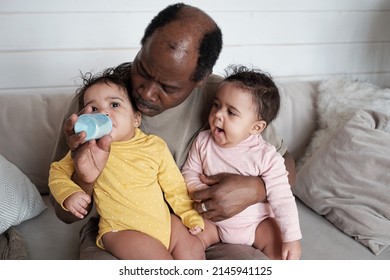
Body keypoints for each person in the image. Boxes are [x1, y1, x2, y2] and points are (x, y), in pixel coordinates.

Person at [51, 3, 296, 259]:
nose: (146, 93)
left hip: (202, 228)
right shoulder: (97, 101)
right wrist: (85, 179)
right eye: (142, 71)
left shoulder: (224, 100)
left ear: (200, 80)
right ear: (141, 47)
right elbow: (63, 213)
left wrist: (256, 188)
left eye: (168, 87)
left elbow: (285, 161)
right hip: (120, 228)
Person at [49, 63, 205, 260]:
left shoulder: (154, 146)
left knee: (193, 248)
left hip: (164, 224)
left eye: (114, 105)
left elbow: (175, 187)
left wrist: (189, 216)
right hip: (121, 231)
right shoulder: (86, 148)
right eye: (94, 108)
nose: (103, 113)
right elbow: (57, 172)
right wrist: (69, 194)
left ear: (136, 118)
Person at [181, 65, 302, 260]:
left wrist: (292, 238)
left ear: (256, 127)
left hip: (256, 224)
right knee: (182, 239)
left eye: (231, 112)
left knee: (281, 250)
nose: (218, 114)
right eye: (216, 105)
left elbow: (282, 199)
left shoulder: (266, 156)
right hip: (214, 223)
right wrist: (203, 192)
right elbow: (189, 172)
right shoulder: (203, 141)